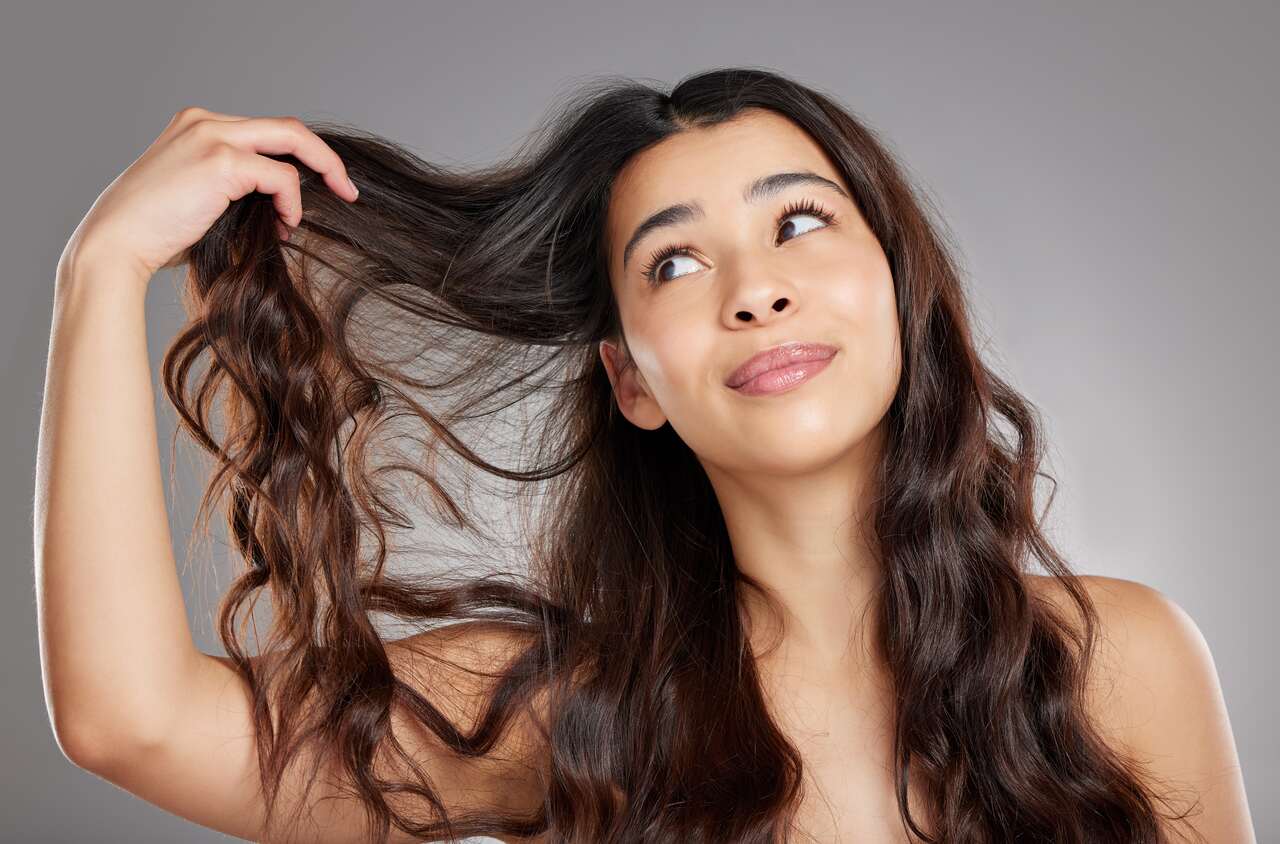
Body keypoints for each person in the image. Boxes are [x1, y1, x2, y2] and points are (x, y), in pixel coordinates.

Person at [34, 67, 1255, 843]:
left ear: (900, 292)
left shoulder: (1121, 660)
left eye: (798, 222)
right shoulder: (571, 708)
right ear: (631, 382)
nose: (754, 291)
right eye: (675, 261)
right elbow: (134, 723)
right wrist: (97, 273)